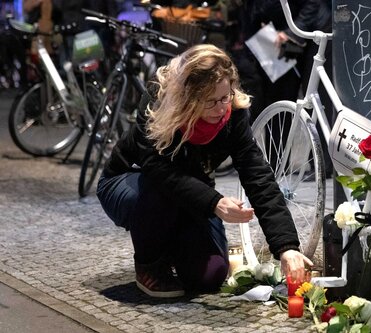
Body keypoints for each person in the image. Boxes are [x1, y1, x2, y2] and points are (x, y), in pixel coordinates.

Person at [96, 44, 313, 298]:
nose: (221, 108)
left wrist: (286, 246)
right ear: (188, 97)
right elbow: (159, 169)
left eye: (225, 97)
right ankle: (149, 265)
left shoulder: (233, 112)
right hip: (131, 182)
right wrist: (215, 203)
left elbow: (257, 175)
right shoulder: (158, 100)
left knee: (209, 276)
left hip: (189, 193)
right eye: (210, 101)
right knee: (159, 189)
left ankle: (173, 242)